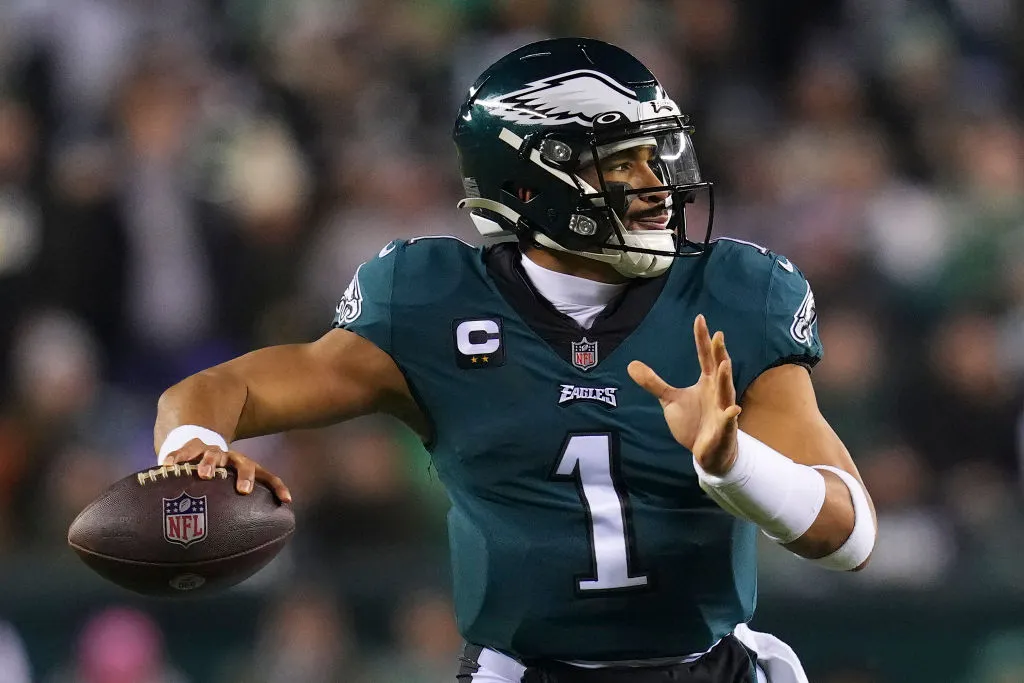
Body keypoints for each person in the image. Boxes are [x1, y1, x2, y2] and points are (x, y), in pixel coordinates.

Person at [156, 38, 877, 683]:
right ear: (530, 187)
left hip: (710, 667)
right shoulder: (430, 304)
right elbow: (222, 390)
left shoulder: (735, 296)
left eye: (657, 155)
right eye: (622, 163)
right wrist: (197, 448)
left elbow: (851, 536)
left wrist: (734, 464)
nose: (658, 184)